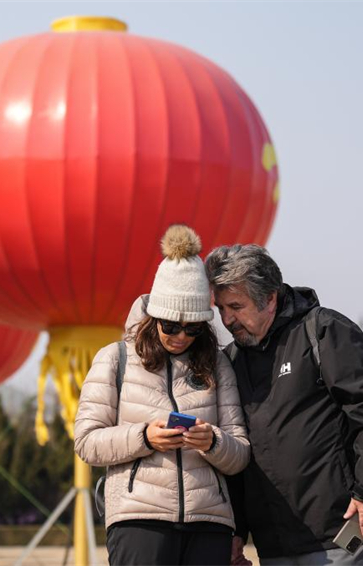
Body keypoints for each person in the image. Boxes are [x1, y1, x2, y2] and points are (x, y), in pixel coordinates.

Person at [203, 244, 363, 565]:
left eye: (236, 306)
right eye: (220, 309)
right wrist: (237, 530)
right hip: (275, 546)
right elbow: (237, 455)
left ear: (269, 298)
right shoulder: (231, 361)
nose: (227, 320)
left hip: (344, 532)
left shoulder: (324, 331)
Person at [74, 225, 251, 566]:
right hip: (138, 521)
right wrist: (145, 436)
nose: (180, 336)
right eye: (170, 326)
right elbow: (86, 442)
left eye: (193, 328)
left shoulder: (218, 366)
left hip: (209, 523)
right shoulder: (115, 359)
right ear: (153, 316)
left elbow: (240, 453)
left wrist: (211, 441)